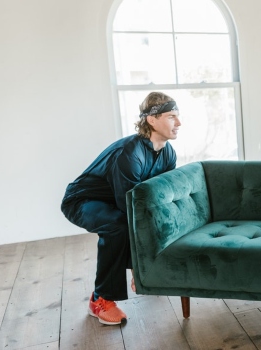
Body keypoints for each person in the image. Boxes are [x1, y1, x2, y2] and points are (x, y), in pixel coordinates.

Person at [61, 92, 181, 325]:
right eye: (171, 117)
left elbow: (162, 197)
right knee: (117, 225)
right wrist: (137, 263)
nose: (179, 123)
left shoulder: (168, 153)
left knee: (145, 218)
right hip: (82, 201)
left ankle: (144, 273)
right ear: (152, 120)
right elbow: (129, 207)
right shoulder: (130, 153)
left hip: (115, 202)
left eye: (178, 116)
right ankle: (100, 300)